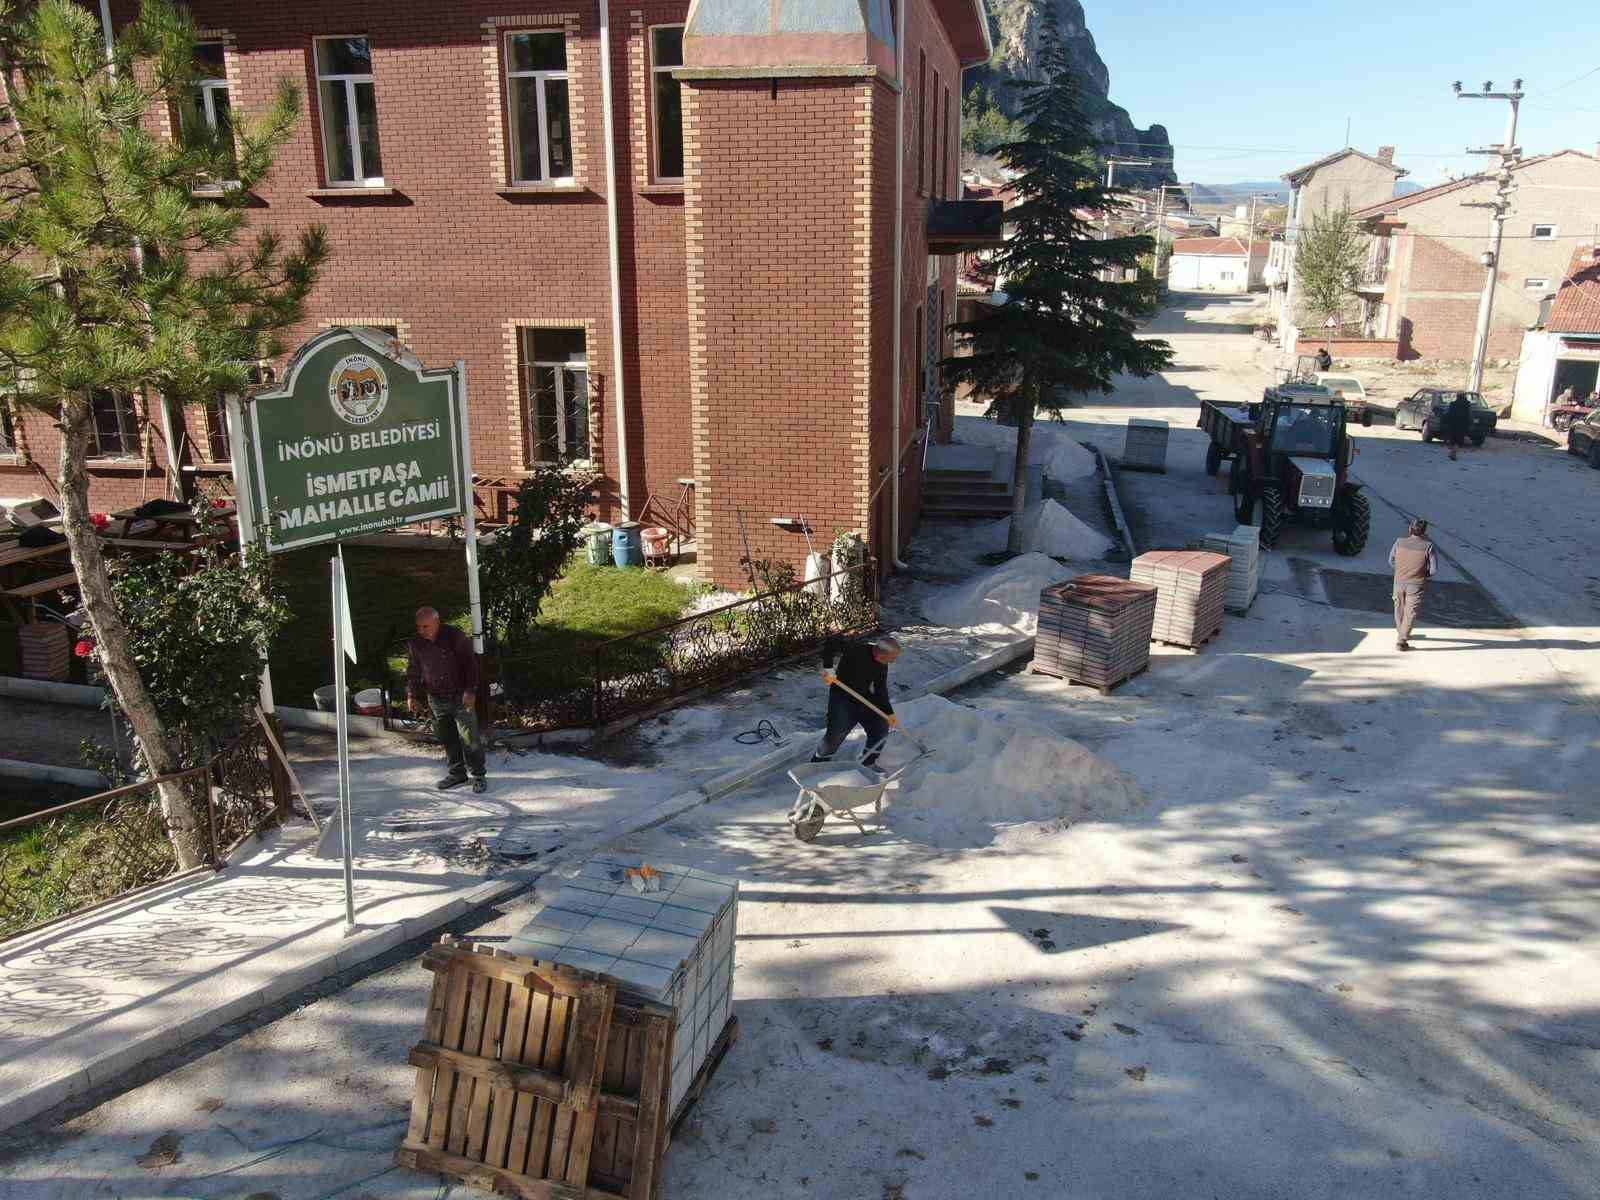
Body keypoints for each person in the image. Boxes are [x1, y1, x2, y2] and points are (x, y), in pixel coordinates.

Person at [407, 607, 487, 792]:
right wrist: (412, 695)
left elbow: (470, 665)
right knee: (447, 737)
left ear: (437, 622)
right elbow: (413, 671)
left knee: (469, 738)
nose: (422, 630)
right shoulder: (416, 644)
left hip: (459, 695)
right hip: (436, 698)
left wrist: (470, 690)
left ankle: (479, 775)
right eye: (419, 627)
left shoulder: (454, 637)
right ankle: (457, 773)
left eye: (426, 626)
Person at [811, 634, 901, 771]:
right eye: (892, 658)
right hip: (842, 696)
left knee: (880, 726)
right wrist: (828, 668)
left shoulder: (882, 664)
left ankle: (868, 761)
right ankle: (817, 765)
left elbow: (880, 689)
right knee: (837, 733)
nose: (892, 661)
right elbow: (832, 642)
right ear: (880, 652)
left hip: (863, 697)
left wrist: (889, 713)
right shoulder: (857, 650)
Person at [1388, 518, 1438, 651]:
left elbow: (1391, 560)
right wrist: (1421, 574)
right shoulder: (1428, 546)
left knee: (1399, 607)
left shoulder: (1399, 542)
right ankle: (1402, 640)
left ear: (1410, 529)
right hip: (1416, 584)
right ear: (1424, 532)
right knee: (1410, 611)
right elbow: (1433, 570)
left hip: (1398, 582)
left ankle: (1402, 631)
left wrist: (1400, 571)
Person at [1444, 391, 1473, 460]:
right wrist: (1471, 422)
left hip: (1452, 425)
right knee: (1458, 441)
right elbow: (1470, 415)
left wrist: (1445, 421)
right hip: (1462, 425)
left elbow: (1447, 413)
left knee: (1452, 440)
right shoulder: (1467, 404)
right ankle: (1453, 453)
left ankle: (1452, 453)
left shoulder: (1452, 404)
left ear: (1457, 396)